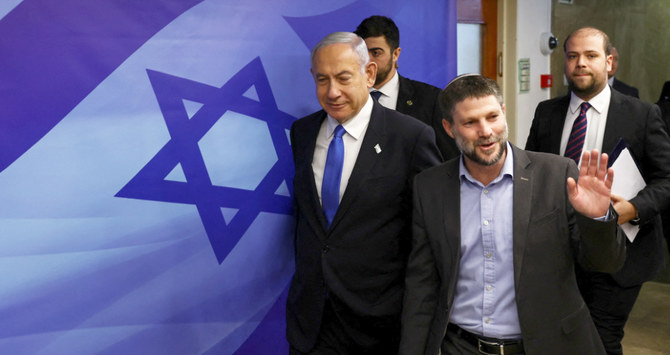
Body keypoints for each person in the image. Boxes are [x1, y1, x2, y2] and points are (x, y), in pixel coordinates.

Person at [400, 74, 626, 354]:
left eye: (492, 116)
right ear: (449, 127)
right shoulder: (430, 187)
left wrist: (596, 220)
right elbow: (422, 285)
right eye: (470, 122)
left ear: (503, 113)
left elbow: (605, 263)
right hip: (460, 345)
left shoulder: (557, 175)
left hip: (547, 345)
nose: (486, 131)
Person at [286, 31, 442, 354]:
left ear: (369, 73)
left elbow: (430, 236)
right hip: (310, 325)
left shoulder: (410, 137)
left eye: (343, 78)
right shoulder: (302, 133)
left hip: (378, 327)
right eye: (322, 80)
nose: (332, 92)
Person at [526, 27, 670, 354]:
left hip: (621, 251)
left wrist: (627, 210)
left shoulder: (642, 114)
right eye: (573, 56)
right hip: (559, 250)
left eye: (590, 56)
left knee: (600, 341)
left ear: (609, 63)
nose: (580, 63)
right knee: (562, 337)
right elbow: (531, 173)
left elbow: (667, 180)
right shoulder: (546, 113)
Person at [354, 15, 459, 161]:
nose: (369, 61)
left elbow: (451, 161)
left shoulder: (431, 99)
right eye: (363, 54)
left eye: (376, 53)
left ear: (395, 54)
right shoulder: (348, 99)